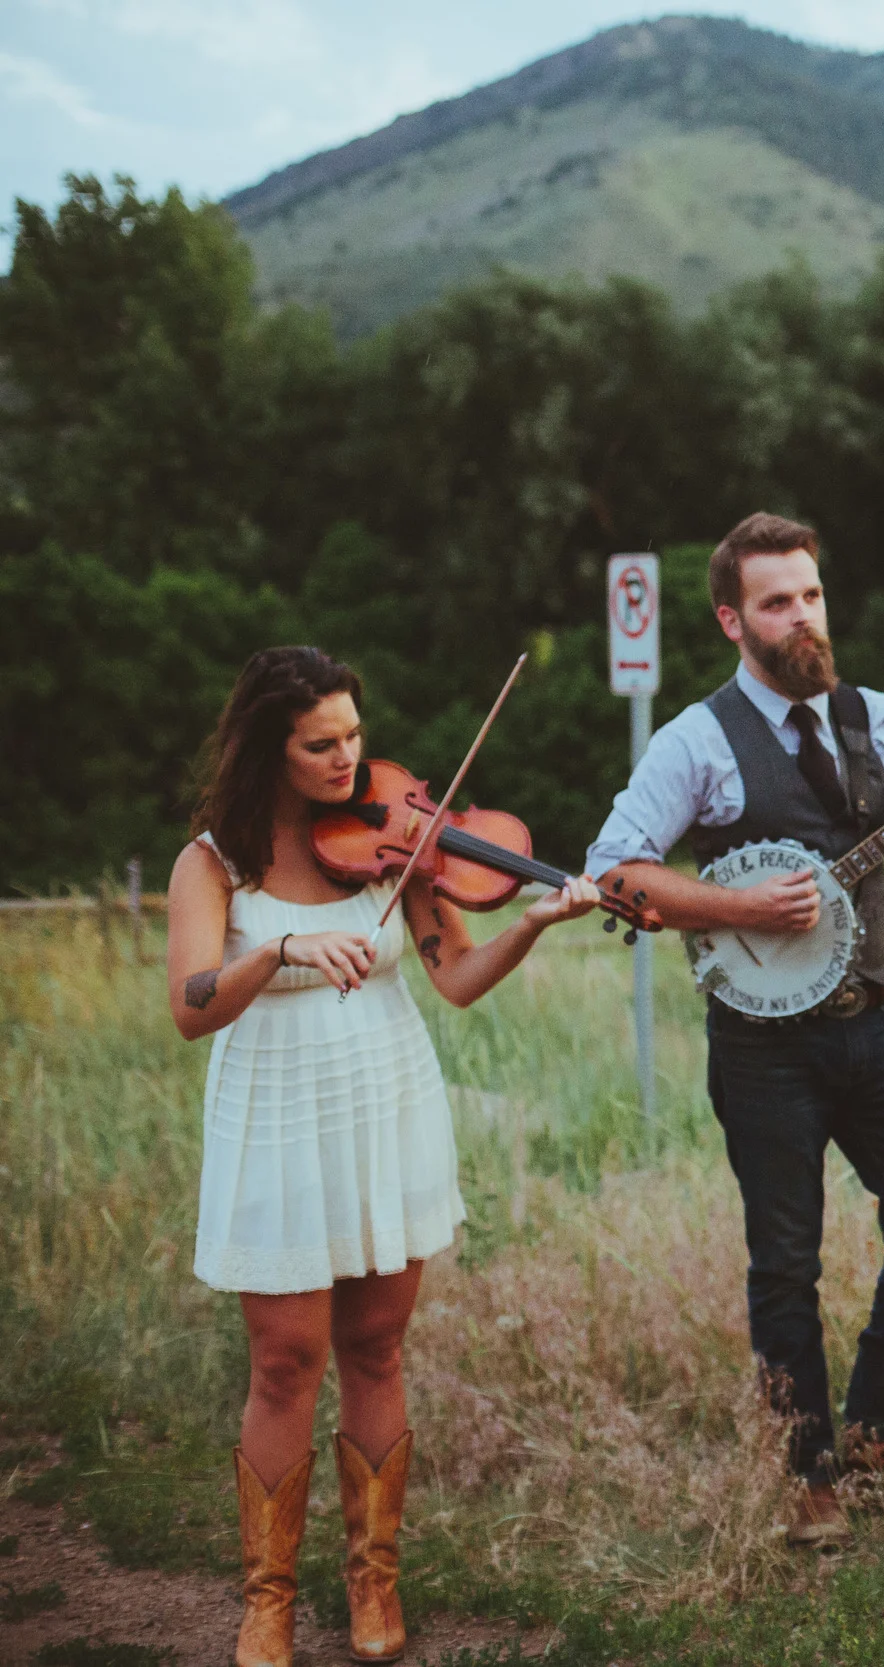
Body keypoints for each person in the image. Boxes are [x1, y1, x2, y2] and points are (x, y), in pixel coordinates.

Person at [588, 512, 884, 1545]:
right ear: (732, 618)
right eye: (776, 600)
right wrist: (743, 910)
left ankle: (882, 1432)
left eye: (810, 593)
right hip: (766, 1044)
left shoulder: (875, 717)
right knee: (786, 1258)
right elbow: (617, 870)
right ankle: (807, 1470)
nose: (801, 615)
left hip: (882, 1017)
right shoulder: (696, 741)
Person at [167, 646, 602, 1667]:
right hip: (274, 1118)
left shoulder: (397, 845)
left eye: (354, 736)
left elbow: (454, 978)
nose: (347, 759)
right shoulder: (213, 860)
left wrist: (533, 920)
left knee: (376, 1349)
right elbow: (189, 1006)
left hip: (384, 1102)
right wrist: (273, 950)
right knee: (284, 1362)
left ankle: (374, 1577)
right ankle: (266, 1596)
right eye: (320, 744)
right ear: (267, 745)